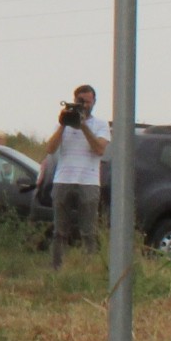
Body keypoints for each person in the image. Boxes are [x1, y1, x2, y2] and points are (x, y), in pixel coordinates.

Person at [46, 83, 111, 269]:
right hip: (63, 179)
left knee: (88, 231)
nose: (84, 105)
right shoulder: (64, 123)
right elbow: (50, 149)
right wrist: (63, 125)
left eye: (87, 102)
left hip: (88, 181)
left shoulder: (100, 124)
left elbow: (99, 149)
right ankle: (56, 268)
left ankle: (88, 267)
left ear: (94, 102)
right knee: (59, 231)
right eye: (80, 101)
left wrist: (83, 126)